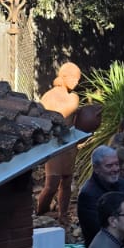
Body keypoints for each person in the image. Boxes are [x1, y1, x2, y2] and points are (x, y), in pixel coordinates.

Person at [36, 61, 83, 218]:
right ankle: (40, 213)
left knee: (67, 182)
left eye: (78, 79)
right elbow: (45, 118)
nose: (76, 82)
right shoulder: (50, 96)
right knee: (51, 185)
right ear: (64, 76)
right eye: (74, 78)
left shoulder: (73, 97)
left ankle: (63, 215)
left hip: (69, 145)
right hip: (54, 144)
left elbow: (76, 122)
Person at [78, 146, 124, 246]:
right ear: (96, 169)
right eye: (109, 165)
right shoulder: (88, 194)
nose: (115, 169)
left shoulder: (123, 184)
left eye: (116, 164)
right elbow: (100, 230)